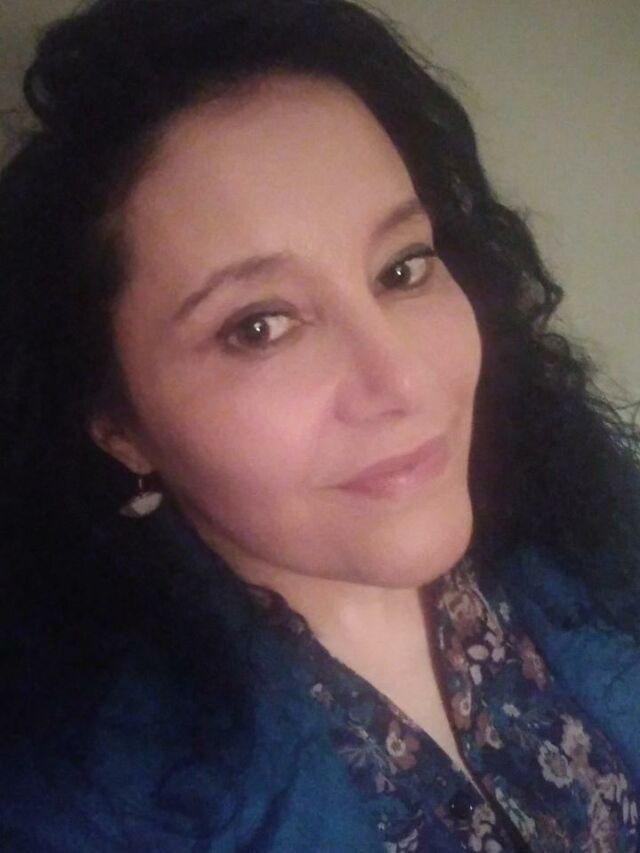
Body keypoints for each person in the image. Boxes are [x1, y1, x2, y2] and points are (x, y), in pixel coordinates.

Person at [1, 0, 639, 849]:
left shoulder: (582, 529)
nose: (404, 379)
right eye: (259, 326)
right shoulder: (73, 801)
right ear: (120, 423)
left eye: (402, 268)